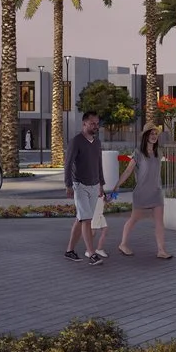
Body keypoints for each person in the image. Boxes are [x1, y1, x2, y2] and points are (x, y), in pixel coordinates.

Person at [117, 121, 172, 260]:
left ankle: (161, 250)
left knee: (159, 222)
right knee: (134, 219)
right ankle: (123, 244)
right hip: (142, 193)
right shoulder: (138, 153)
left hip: (156, 192)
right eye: (151, 133)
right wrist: (117, 185)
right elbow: (128, 170)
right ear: (146, 136)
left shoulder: (159, 152)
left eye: (156, 134)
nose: (154, 136)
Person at [62, 110, 108, 265]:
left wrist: (101, 184)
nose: (96, 126)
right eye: (92, 123)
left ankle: (69, 251)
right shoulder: (76, 141)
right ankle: (92, 254)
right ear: (84, 124)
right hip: (79, 185)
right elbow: (68, 164)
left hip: (94, 185)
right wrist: (68, 184)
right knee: (87, 219)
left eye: (97, 123)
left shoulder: (97, 142)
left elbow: (98, 164)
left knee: (81, 218)